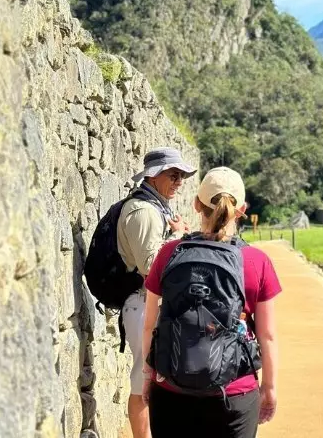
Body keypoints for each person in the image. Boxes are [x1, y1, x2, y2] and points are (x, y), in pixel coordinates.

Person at [141, 167, 281, 437]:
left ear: (196, 204)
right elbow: (267, 336)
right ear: (241, 210)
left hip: (171, 388)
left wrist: (148, 376)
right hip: (234, 393)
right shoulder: (256, 261)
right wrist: (270, 388)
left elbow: (149, 325)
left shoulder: (169, 254)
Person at [118, 147, 196, 438]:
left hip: (150, 304)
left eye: (181, 177)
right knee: (142, 381)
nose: (179, 182)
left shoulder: (156, 208)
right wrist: (177, 236)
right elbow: (150, 268)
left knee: (157, 378)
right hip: (141, 304)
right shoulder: (143, 211)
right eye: (173, 175)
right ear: (153, 176)